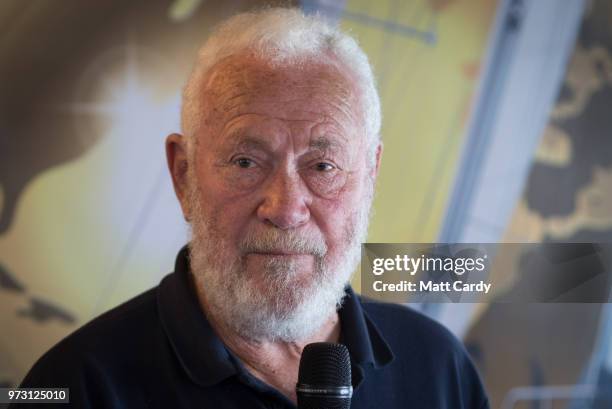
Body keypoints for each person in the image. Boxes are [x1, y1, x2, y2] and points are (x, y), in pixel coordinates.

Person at [13, 7, 489, 409]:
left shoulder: (438, 368)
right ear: (183, 174)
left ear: (370, 176)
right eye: (246, 161)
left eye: (323, 166)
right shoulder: (80, 384)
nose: (285, 210)